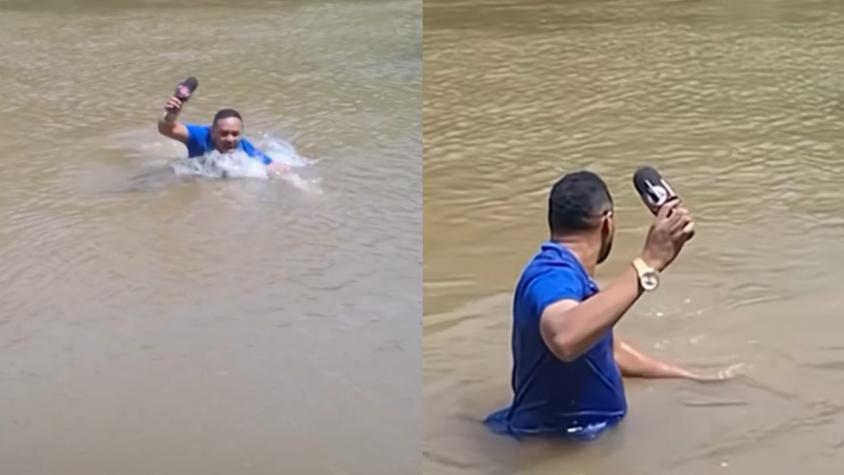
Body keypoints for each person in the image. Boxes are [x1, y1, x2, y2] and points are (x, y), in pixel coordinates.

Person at [484, 170, 707, 441]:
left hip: (574, 441)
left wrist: (692, 378)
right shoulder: (552, 275)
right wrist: (649, 262)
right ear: (607, 224)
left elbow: (612, 351)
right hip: (557, 447)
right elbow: (565, 337)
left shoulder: (572, 279)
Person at [157, 94, 289, 174]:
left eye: (235, 134)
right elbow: (166, 129)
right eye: (224, 133)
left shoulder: (243, 146)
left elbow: (271, 165)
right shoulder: (200, 136)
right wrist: (170, 116)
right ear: (212, 131)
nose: (230, 139)